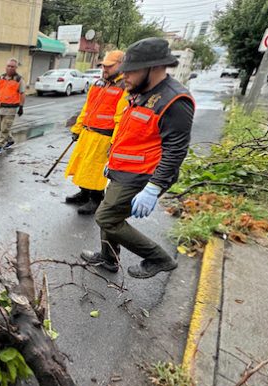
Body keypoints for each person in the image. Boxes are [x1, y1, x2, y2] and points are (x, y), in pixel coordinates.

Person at [81, 37, 195, 279]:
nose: (125, 77)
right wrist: (111, 162)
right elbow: (132, 134)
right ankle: (108, 258)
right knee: (109, 212)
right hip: (123, 169)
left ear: (154, 68)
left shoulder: (174, 101)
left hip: (143, 175)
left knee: (106, 217)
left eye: (130, 72)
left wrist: (153, 188)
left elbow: (176, 150)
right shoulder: (141, 92)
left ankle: (159, 258)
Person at [65, 50, 128, 215]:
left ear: (121, 65)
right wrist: (77, 128)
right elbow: (87, 108)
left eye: (109, 66)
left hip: (104, 136)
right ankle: (84, 194)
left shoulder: (124, 87)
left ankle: (96, 199)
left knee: (96, 170)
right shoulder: (99, 83)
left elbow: (121, 119)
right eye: (104, 66)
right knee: (82, 165)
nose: (105, 69)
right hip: (88, 132)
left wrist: (114, 143)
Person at [0, 58, 25, 155]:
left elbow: (22, 94)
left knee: (5, 128)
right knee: (1, 128)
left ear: (16, 68)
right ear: (6, 67)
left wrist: (21, 107)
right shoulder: (1, 77)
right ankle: (10, 140)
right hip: (0, 108)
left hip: (11, 109)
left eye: (12, 66)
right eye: (8, 66)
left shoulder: (19, 80)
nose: (10, 68)